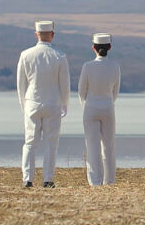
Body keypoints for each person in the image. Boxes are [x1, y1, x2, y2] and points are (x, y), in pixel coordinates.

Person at [16, 20, 70, 188]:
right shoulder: (60, 56)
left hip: (32, 101)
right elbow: (65, 85)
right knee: (50, 143)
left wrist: (23, 104)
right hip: (53, 102)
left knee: (30, 142)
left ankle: (27, 179)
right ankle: (48, 179)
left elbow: (21, 84)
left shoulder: (26, 54)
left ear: (36, 34)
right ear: (52, 35)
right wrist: (64, 103)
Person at [78, 32, 122, 186]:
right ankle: (109, 180)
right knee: (109, 146)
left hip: (90, 108)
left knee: (92, 146)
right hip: (108, 108)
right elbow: (115, 92)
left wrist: (87, 104)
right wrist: (108, 102)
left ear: (93, 48)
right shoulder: (115, 66)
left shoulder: (88, 66)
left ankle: (95, 181)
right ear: (109, 47)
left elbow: (81, 91)